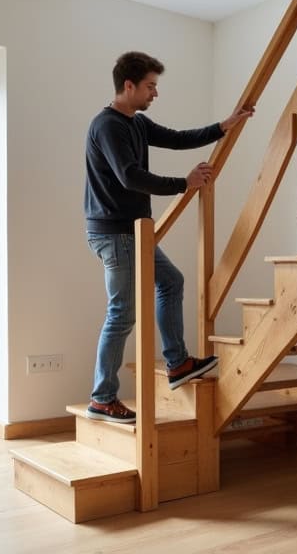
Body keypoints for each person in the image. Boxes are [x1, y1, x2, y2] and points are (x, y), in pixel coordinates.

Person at [84, 51, 254, 424]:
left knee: (171, 281)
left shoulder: (137, 123)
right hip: (116, 232)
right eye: (150, 86)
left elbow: (177, 139)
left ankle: (177, 363)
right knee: (122, 313)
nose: (154, 94)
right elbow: (129, 176)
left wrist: (223, 126)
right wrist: (184, 183)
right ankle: (102, 398)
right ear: (128, 86)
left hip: (133, 230)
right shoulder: (108, 125)